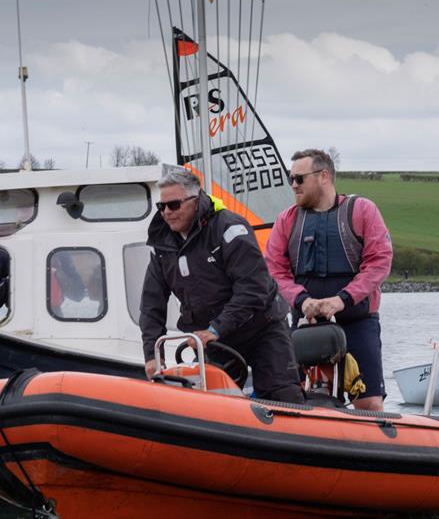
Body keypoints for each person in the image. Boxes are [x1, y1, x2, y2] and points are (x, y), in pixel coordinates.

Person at [139, 168, 304, 404]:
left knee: (282, 395)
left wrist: (216, 328)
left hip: (260, 327)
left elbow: (252, 287)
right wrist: (151, 355)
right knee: (214, 403)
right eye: (161, 206)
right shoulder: (163, 247)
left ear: (195, 201)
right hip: (212, 339)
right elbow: (151, 303)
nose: (166, 212)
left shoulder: (229, 228)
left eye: (173, 205)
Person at [265, 149, 393, 411]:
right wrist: (301, 300)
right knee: (295, 398)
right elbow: (275, 269)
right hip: (305, 324)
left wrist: (343, 299)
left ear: (324, 176)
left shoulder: (362, 211)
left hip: (357, 322)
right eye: (291, 179)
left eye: (299, 179)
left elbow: (379, 262)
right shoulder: (286, 220)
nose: (293, 185)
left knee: (368, 402)